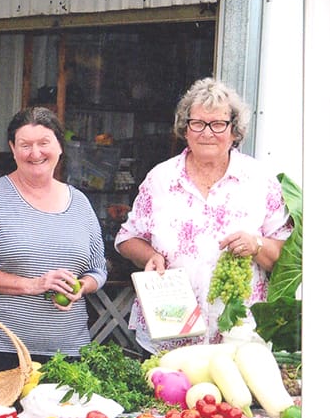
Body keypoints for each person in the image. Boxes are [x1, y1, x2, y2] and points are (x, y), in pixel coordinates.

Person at [114, 77, 291, 352]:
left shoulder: (259, 180)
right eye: (197, 123)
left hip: (238, 337)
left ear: (235, 131)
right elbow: (127, 238)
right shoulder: (161, 179)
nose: (207, 132)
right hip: (169, 334)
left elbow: (285, 255)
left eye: (218, 124)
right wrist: (150, 256)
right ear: (185, 129)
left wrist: (256, 245)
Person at [0, 106, 108, 372]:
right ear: (12, 149)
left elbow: (98, 270)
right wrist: (33, 285)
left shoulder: (80, 203)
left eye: (44, 143)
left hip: (67, 349)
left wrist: (81, 287)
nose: (35, 153)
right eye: (25, 145)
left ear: (60, 146)